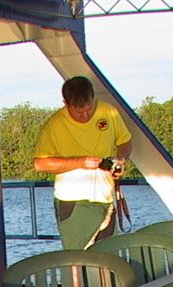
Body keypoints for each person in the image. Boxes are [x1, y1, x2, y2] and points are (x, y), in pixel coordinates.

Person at [34, 76, 133, 250]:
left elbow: (125, 141)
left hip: (106, 198)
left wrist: (121, 160)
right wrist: (80, 162)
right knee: (79, 260)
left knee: (109, 258)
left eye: (89, 109)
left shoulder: (108, 112)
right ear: (66, 103)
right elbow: (40, 164)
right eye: (79, 112)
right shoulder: (55, 124)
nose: (85, 115)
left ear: (93, 98)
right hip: (73, 200)